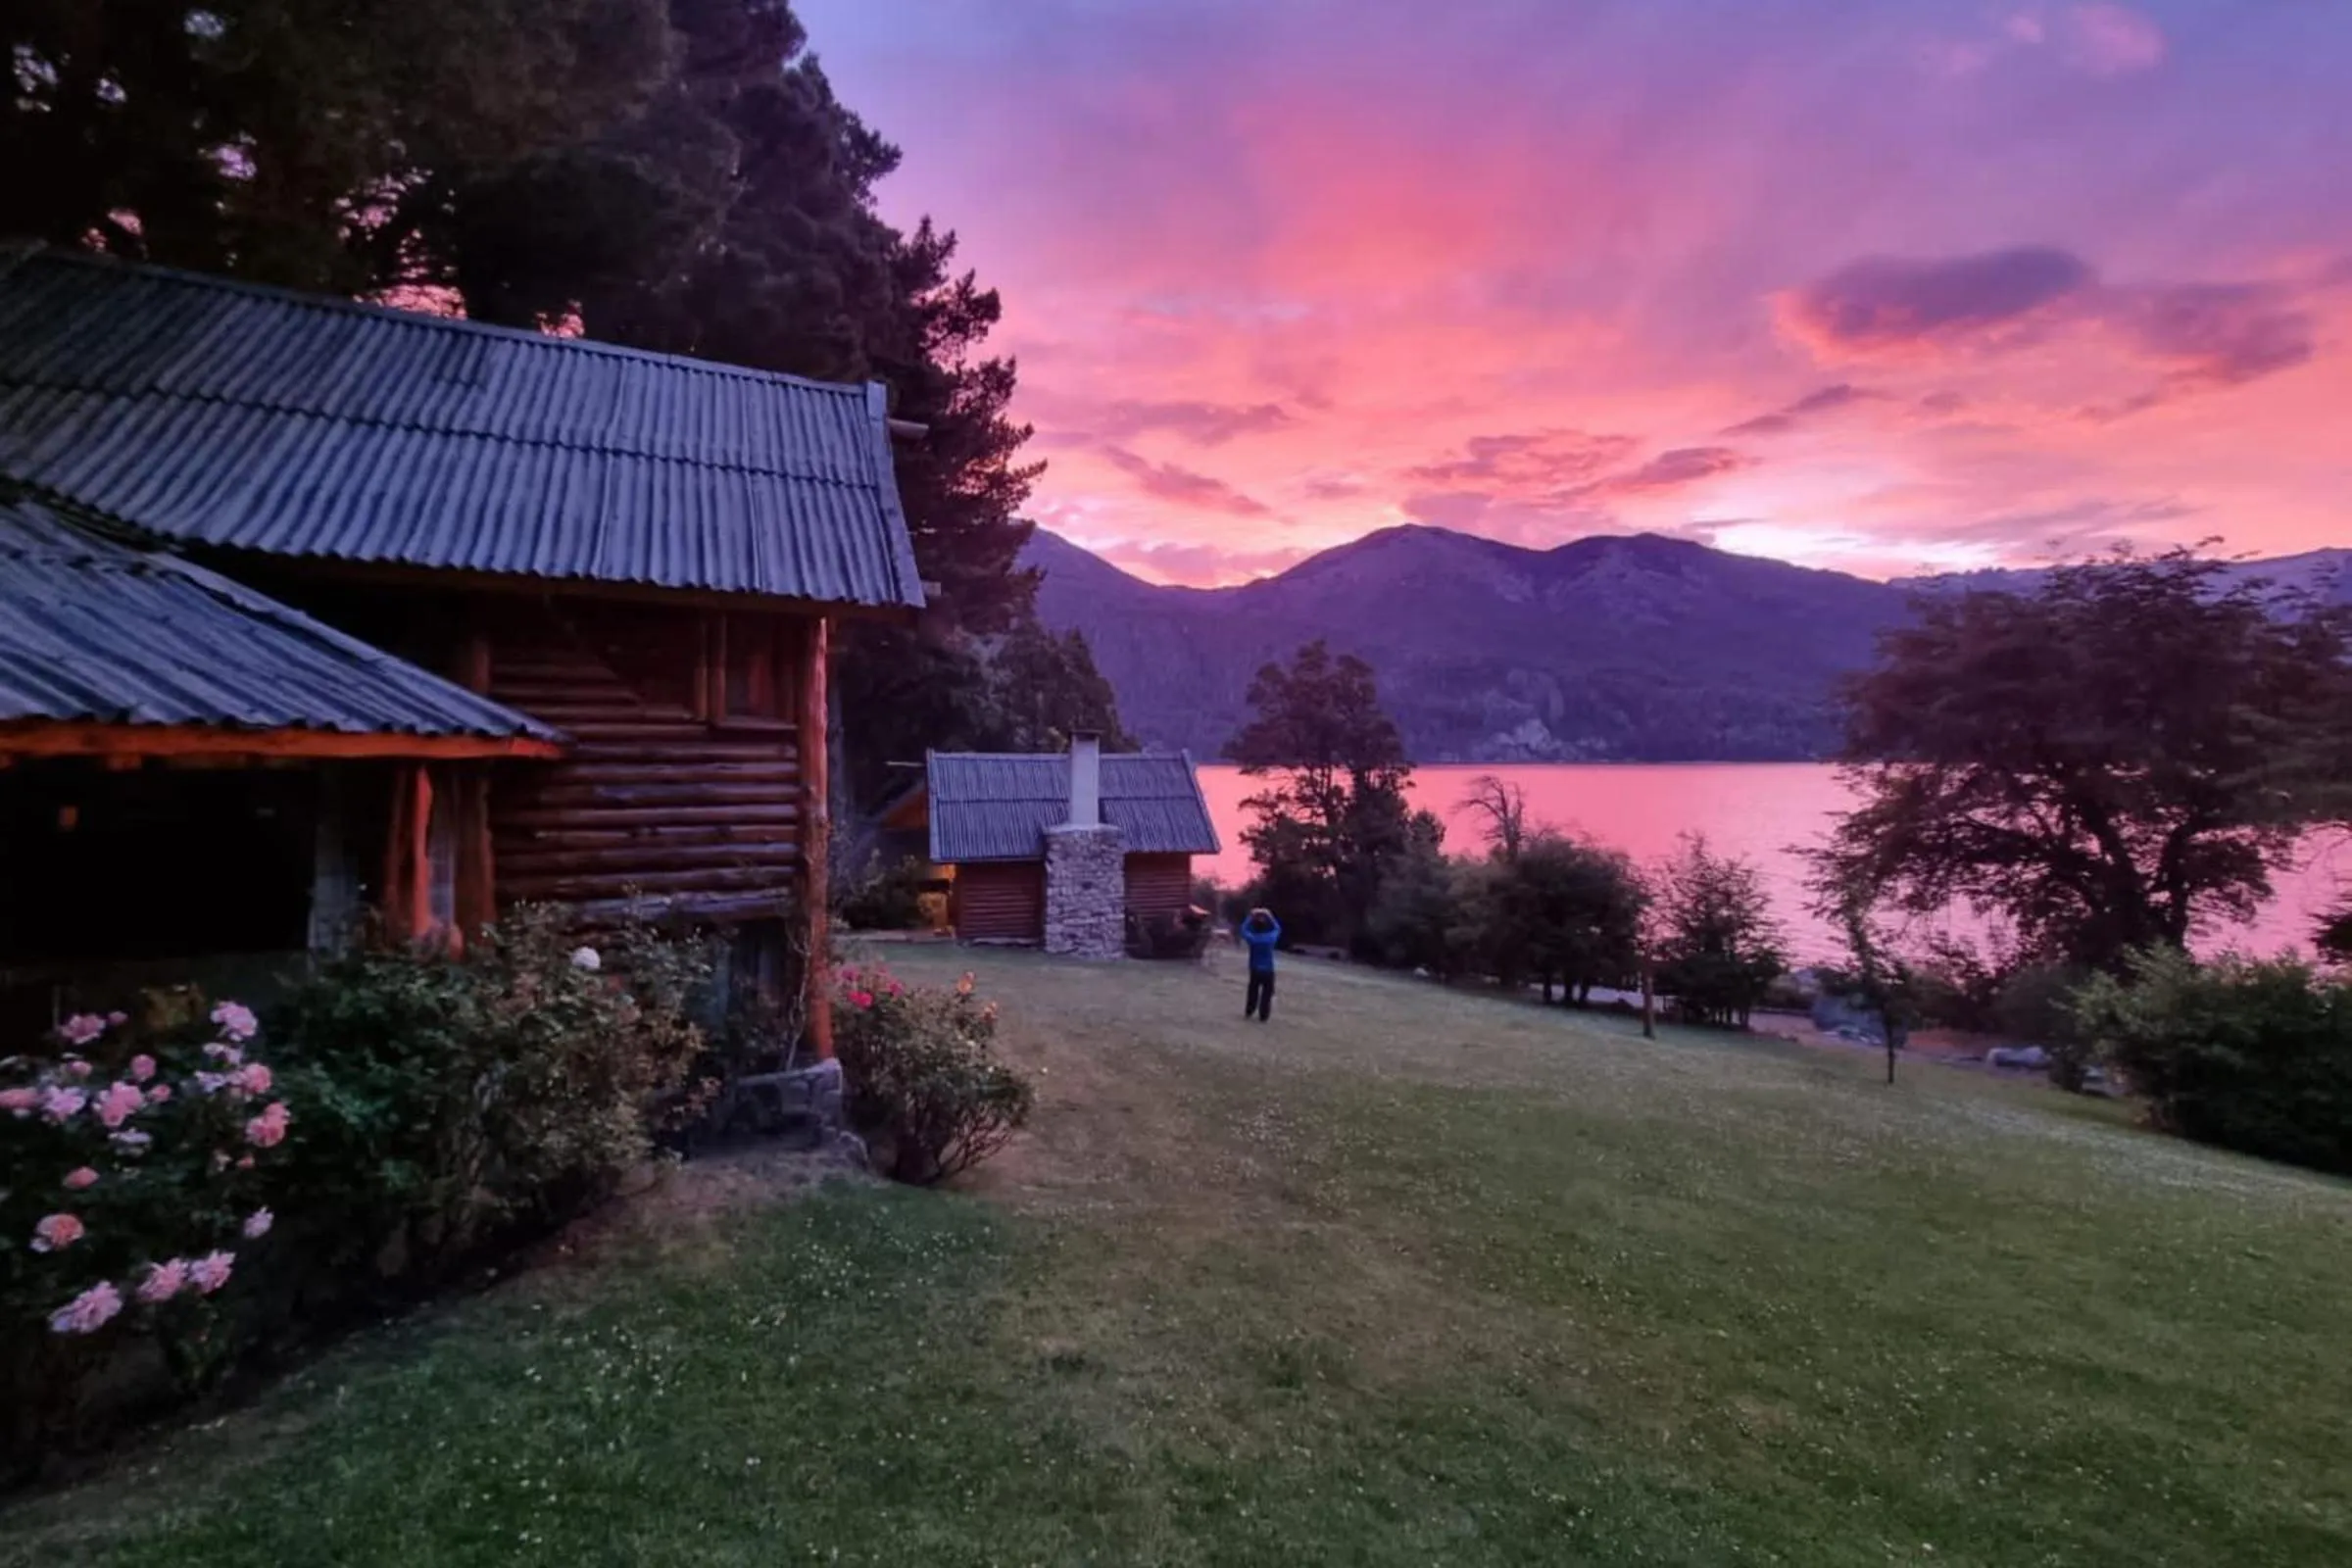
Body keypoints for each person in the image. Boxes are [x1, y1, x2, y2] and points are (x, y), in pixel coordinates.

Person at [1238, 906, 1281, 1021]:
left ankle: (1249, 1011)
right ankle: (1264, 1015)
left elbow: (1243, 929)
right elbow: (1277, 928)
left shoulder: (1253, 938)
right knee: (1267, 994)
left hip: (1255, 969)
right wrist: (1269, 915)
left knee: (1253, 991)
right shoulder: (1270, 938)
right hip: (1268, 970)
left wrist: (1250, 916)